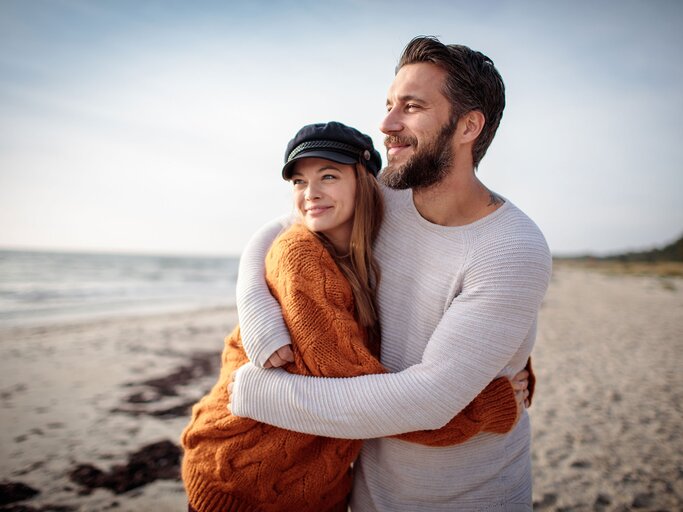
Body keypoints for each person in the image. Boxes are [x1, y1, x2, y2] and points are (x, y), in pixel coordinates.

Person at [228, 37, 552, 510]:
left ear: (468, 126)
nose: (386, 124)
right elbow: (273, 232)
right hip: (368, 488)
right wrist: (258, 312)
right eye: (388, 105)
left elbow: (427, 400)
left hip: (467, 495)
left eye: (412, 106)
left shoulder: (510, 248)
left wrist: (260, 393)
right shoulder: (387, 195)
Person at [181, 121, 530, 512]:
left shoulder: (367, 248)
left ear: (367, 182)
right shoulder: (301, 258)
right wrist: (487, 406)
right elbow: (365, 404)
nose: (310, 194)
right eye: (298, 181)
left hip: (317, 484)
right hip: (247, 480)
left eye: (328, 176)